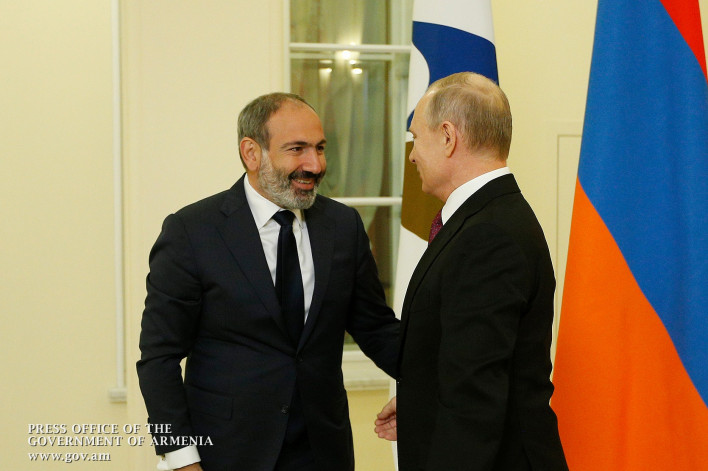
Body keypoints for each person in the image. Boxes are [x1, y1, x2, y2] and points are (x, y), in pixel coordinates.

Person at [137, 92, 400, 471]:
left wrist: (427, 386)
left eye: (320, 148)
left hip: (323, 453)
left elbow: (375, 328)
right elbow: (159, 357)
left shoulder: (343, 226)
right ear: (251, 153)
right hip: (226, 454)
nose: (315, 164)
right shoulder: (192, 232)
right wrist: (181, 458)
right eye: (297, 149)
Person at [374, 73, 568, 470]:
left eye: (416, 138)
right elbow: (467, 357)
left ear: (448, 137)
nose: (412, 155)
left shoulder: (488, 236)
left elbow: (474, 398)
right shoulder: (489, 217)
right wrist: (419, 401)